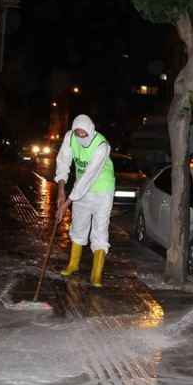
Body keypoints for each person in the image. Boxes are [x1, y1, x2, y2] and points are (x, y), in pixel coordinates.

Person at [54, 114, 115, 287]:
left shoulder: (102, 146)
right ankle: (73, 264)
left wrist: (66, 203)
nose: (81, 138)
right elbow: (63, 163)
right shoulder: (70, 137)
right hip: (80, 189)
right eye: (78, 134)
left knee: (100, 229)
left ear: (91, 131)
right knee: (78, 225)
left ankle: (96, 274)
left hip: (102, 190)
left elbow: (88, 178)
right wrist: (60, 191)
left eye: (84, 135)